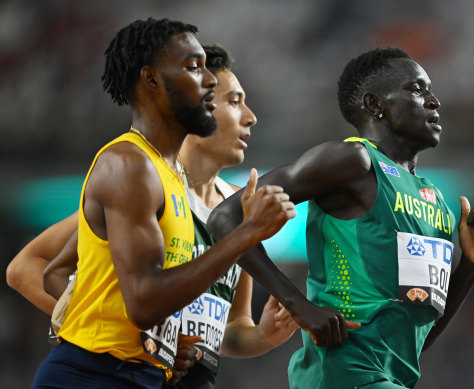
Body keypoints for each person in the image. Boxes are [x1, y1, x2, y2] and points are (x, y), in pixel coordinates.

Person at [7, 42, 300, 388]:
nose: (251, 116)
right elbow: (25, 267)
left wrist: (264, 336)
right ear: (197, 109)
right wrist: (134, 340)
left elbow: (231, 327)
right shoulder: (146, 188)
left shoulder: (238, 205)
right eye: (234, 102)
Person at [208, 46, 474, 388]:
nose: (434, 101)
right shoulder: (353, 160)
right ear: (375, 104)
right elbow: (225, 218)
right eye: (417, 90)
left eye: (431, 91)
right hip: (343, 373)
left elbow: (416, 342)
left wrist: (469, 266)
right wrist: (299, 305)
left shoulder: (433, 199)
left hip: (389, 379)